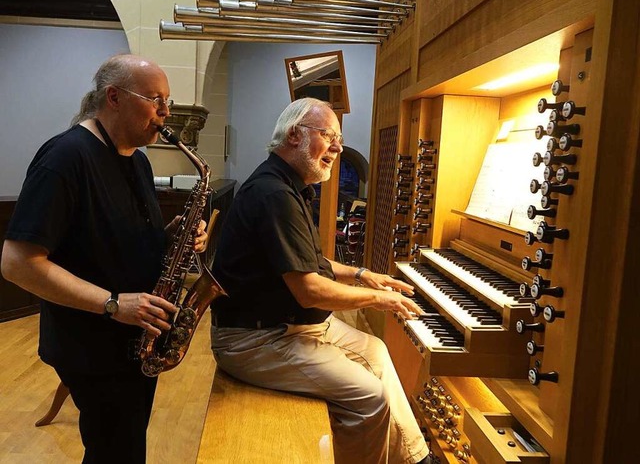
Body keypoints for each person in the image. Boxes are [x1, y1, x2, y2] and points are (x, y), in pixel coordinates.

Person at [1, 54, 207, 464]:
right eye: (155, 100)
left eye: (167, 100)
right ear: (113, 97)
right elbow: (17, 262)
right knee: (115, 450)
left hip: (133, 338)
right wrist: (113, 303)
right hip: (91, 343)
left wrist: (176, 237)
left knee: (123, 448)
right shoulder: (65, 158)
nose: (165, 112)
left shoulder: (137, 159)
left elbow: (115, 238)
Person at [210, 98, 431, 464]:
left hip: (289, 328)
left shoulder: (287, 186)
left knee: (375, 351)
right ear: (295, 135)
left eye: (339, 138)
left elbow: (307, 260)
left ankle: (414, 459)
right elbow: (309, 290)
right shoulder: (273, 194)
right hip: (255, 339)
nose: (339, 147)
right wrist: (379, 300)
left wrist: (362, 274)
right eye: (330, 135)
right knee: (369, 397)